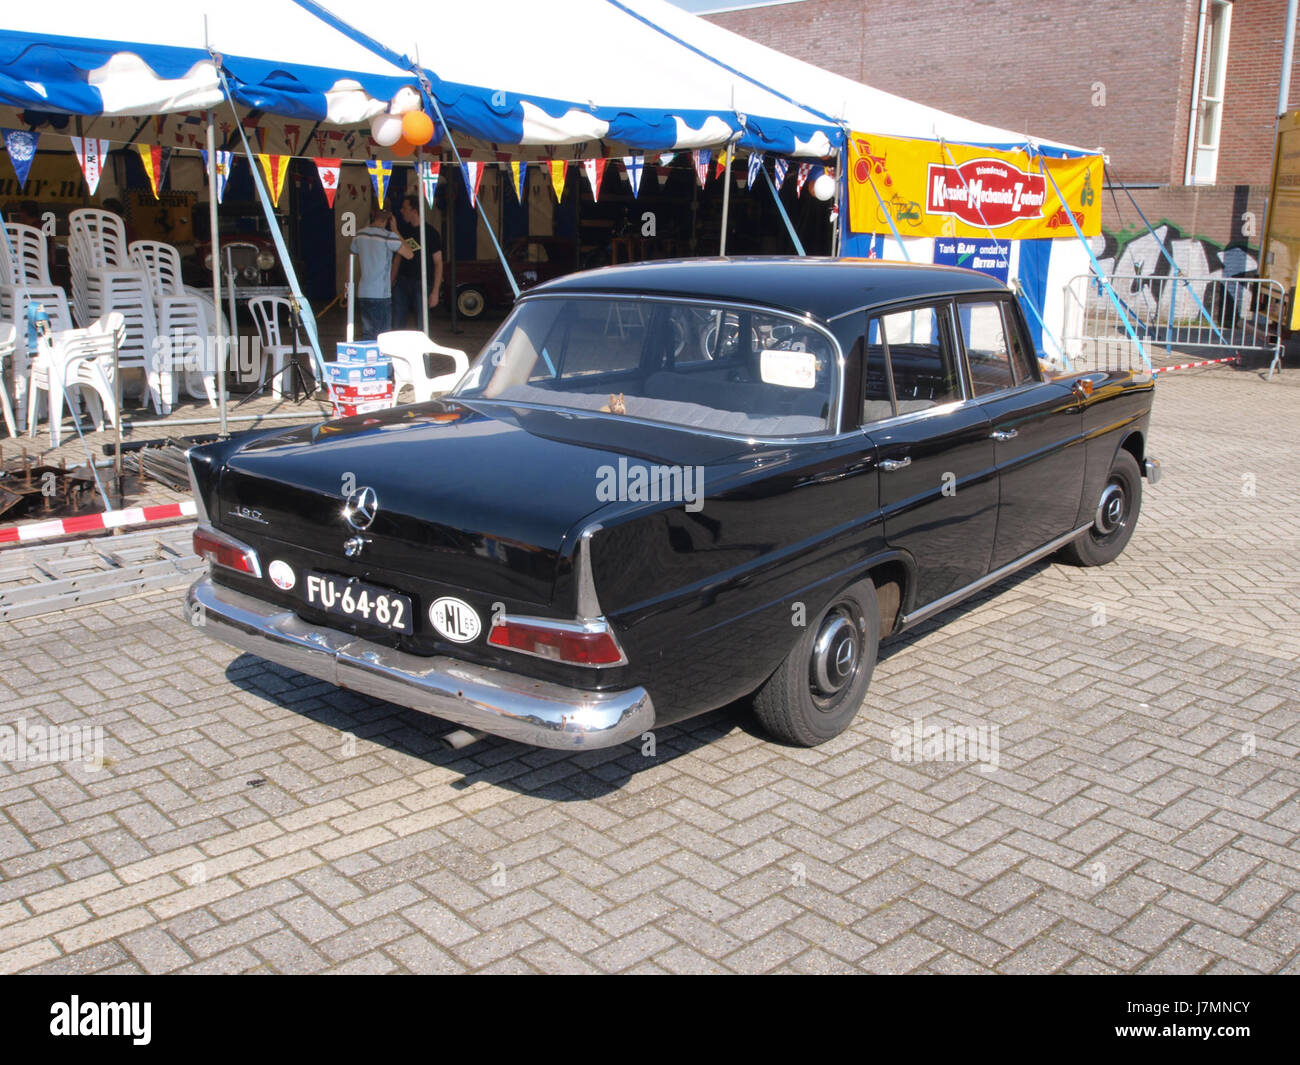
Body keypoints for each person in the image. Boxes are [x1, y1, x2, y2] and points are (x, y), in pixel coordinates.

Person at [350, 206, 412, 339]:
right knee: (383, 337)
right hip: (381, 294)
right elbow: (409, 254)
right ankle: (381, 360)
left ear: (372, 213)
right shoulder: (389, 237)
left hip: (363, 292)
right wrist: (395, 230)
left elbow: (351, 258)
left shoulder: (360, 234)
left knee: (368, 333)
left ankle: (369, 359)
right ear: (390, 216)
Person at [392, 194, 444, 331]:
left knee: (423, 323)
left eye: (405, 208)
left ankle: (424, 352)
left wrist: (435, 291)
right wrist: (392, 280)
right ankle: (396, 351)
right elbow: (398, 257)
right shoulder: (404, 230)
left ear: (414, 210)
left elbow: (438, 263)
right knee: (397, 322)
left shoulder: (431, 233)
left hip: (422, 282)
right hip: (402, 281)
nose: (401, 211)